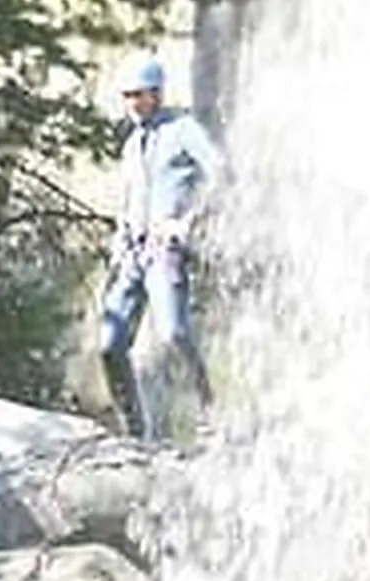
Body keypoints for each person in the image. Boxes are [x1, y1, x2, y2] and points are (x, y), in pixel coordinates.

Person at [100, 55, 226, 446]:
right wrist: (119, 237)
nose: (132, 103)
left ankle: (209, 411)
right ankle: (134, 430)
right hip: (132, 252)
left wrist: (187, 221)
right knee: (109, 344)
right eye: (127, 96)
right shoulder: (132, 142)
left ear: (156, 94)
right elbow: (128, 197)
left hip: (164, 249)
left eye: (138, 95)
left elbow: (219, 173)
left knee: (173, 331)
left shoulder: (183, 129)